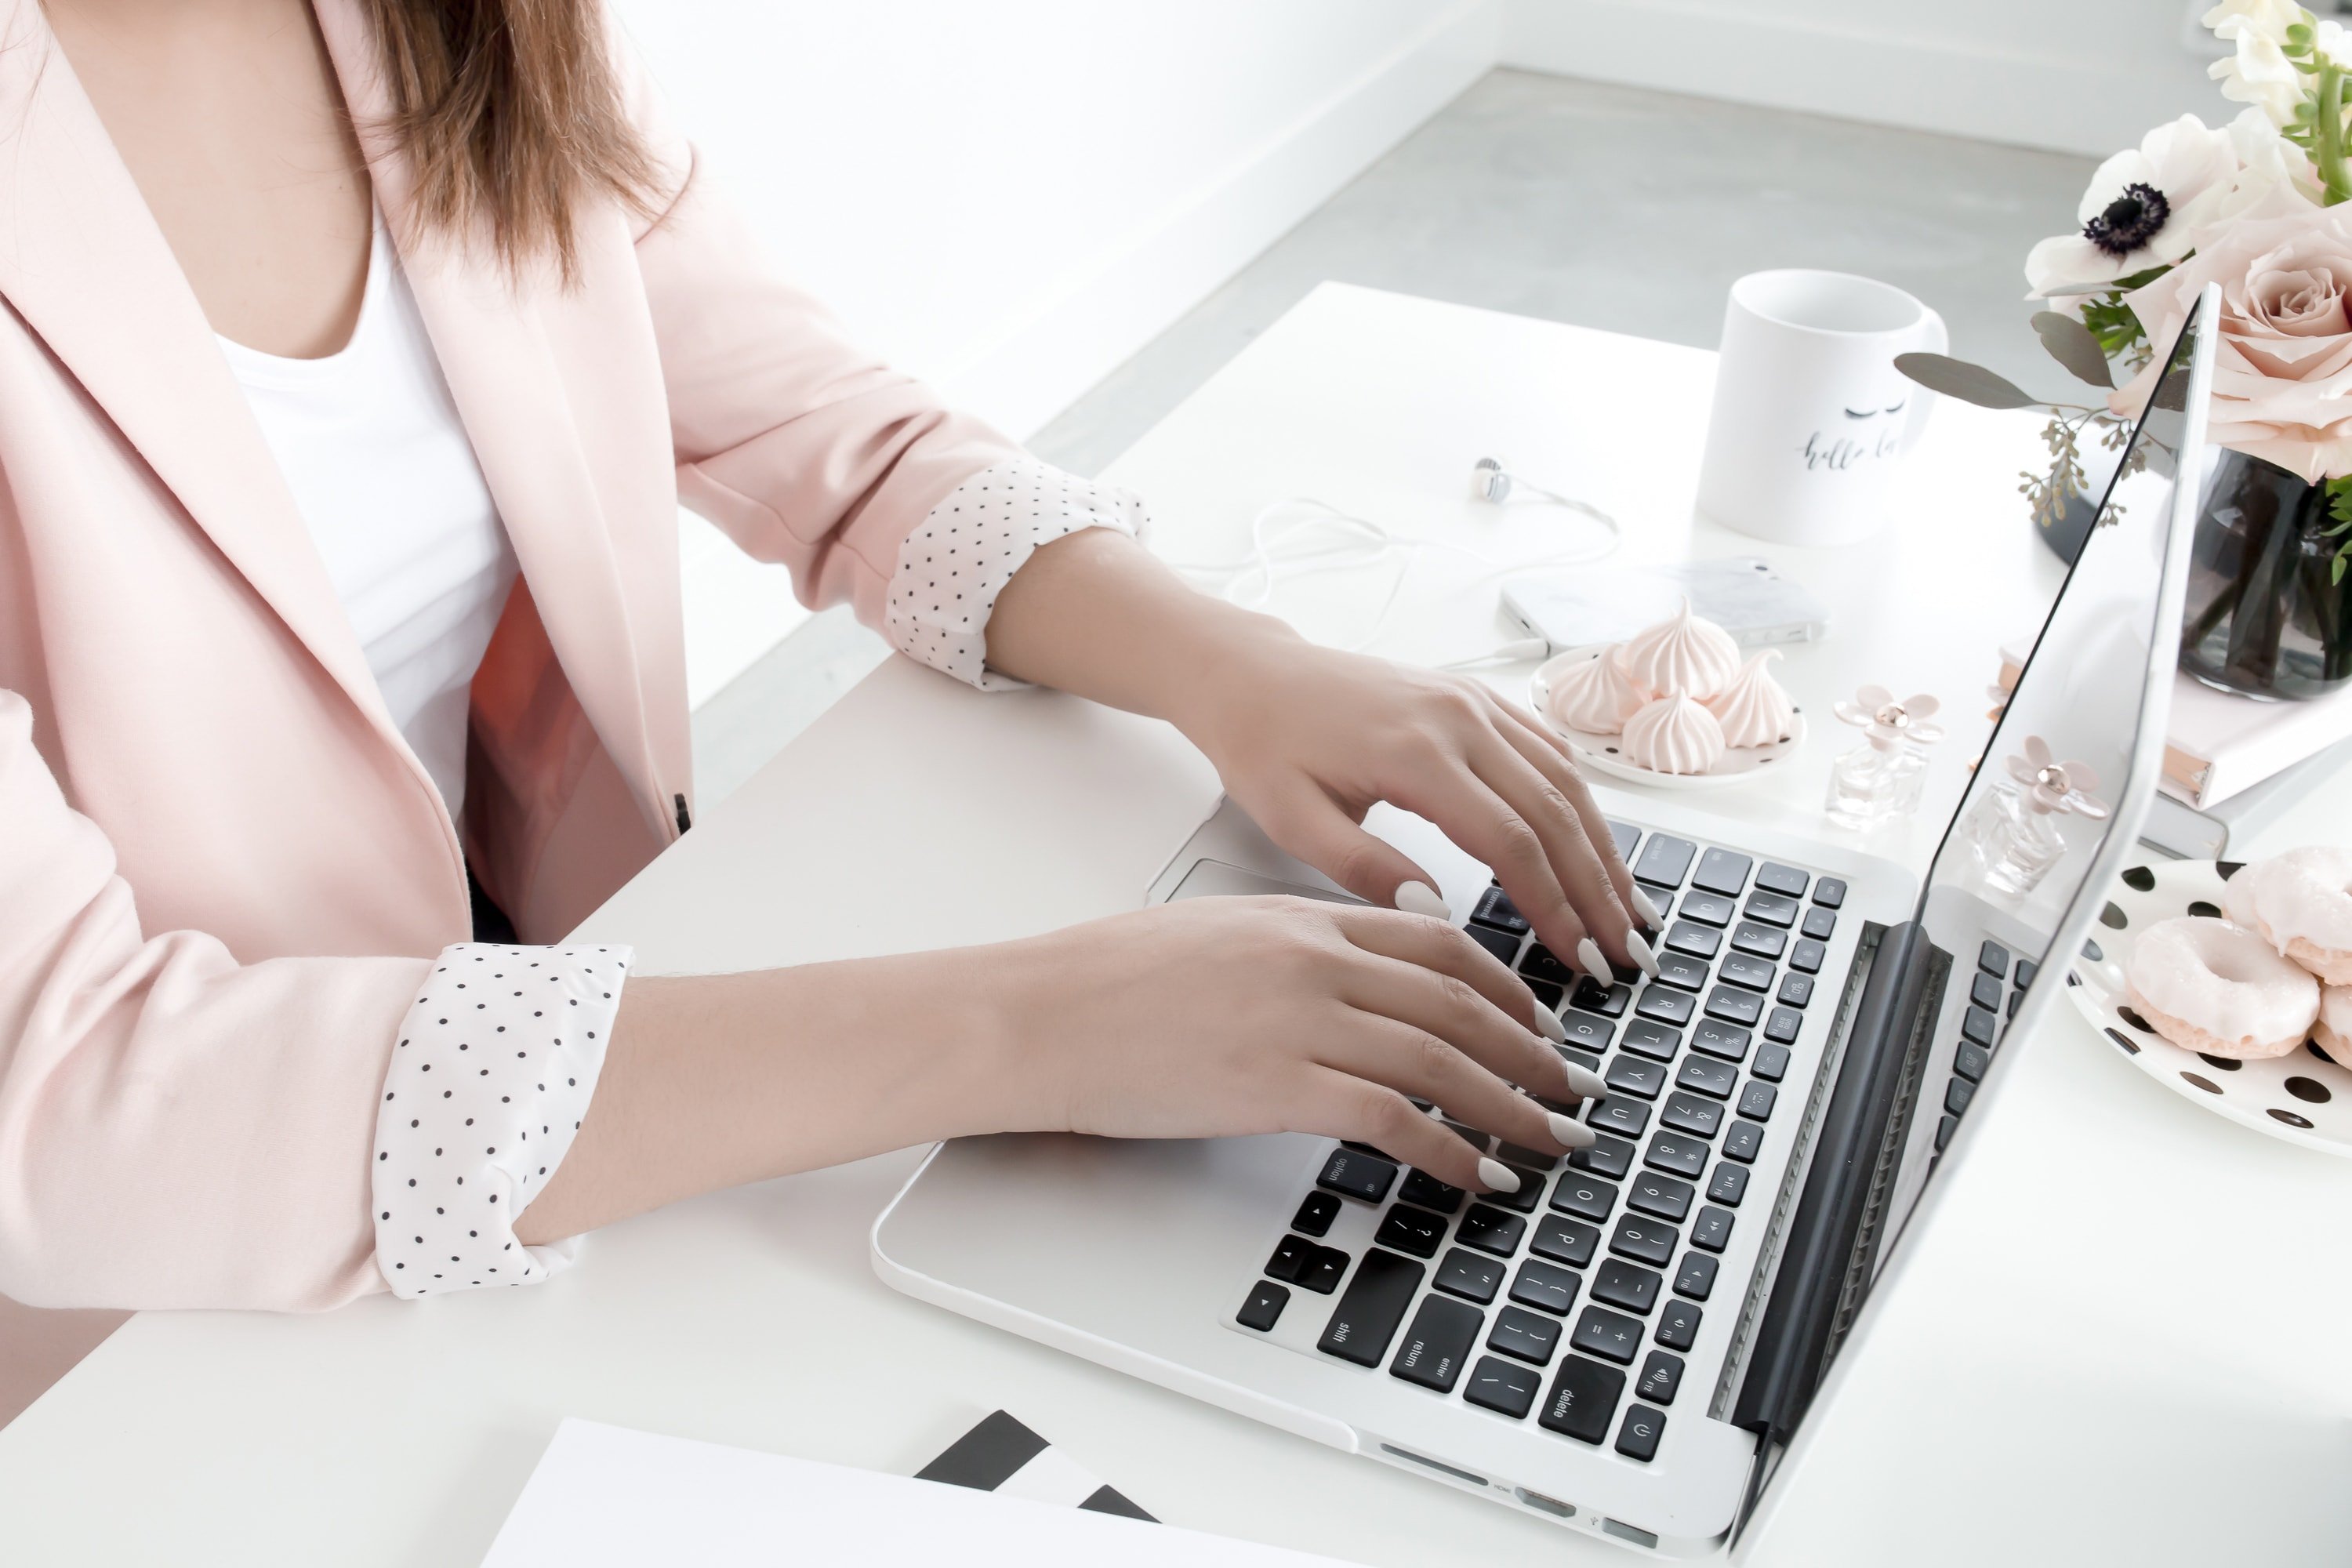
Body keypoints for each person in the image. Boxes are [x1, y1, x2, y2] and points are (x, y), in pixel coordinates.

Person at [0, 0, 1658, 1312]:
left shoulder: (457, 23)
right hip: (162, 1282)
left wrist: (1236, 664)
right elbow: (65, 1104)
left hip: (562, 1060)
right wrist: (1031, 1028)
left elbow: (828, 434)